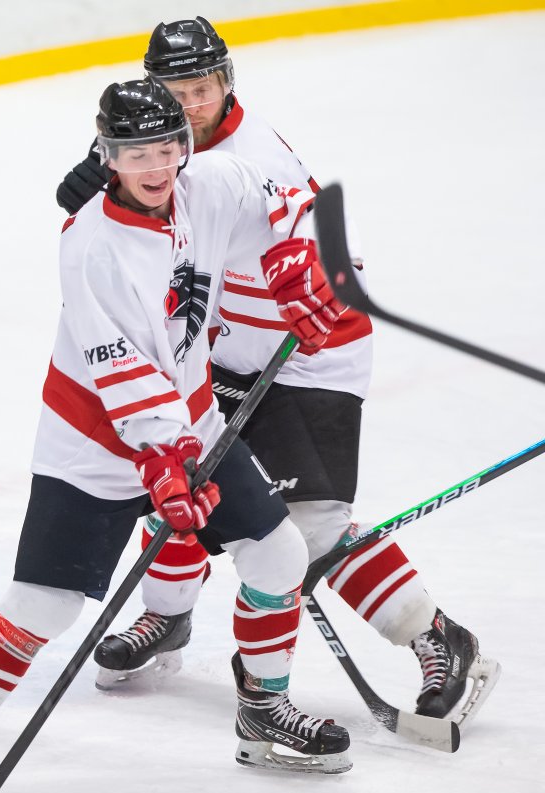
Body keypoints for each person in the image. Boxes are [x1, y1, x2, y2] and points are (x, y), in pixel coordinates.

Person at [0, 77, 356, 793]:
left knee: (277, 551)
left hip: (193, 424)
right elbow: (126, 371)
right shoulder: (92, 245)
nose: (158, 165)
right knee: (44, 606)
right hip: (95, 444)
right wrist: (165, 460)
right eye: (138, 153)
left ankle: (263, 711)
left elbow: (290, 205)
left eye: (169, 147)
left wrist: (300, 265)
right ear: (107, 157)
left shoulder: (211, 183)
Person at [56, 17, 499, 725]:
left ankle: (439, 636)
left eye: (202, 90)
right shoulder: (160, 149)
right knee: (178, 475)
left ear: (227, 84)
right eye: (174, 91)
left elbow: (326, 234)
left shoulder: (258, 155)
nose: (189, 106)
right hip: (223, 350)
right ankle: (167, 614)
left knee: (312, 529)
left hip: (309, 355)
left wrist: (320, 276)